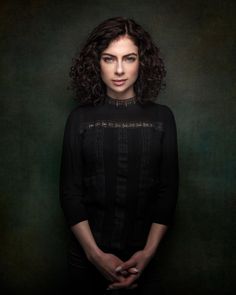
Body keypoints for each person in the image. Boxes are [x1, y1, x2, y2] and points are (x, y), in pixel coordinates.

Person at [59, 16, 179, 294]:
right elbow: (70, 192)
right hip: (86, 258)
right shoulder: (79, 118)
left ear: (142, 62)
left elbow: (167, 191)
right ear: (96, 63)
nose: (120, 70)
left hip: (144, 260)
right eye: (109, 58)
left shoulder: (162, 117)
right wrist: (94, 255)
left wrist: (147, 255)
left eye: (130, 58)